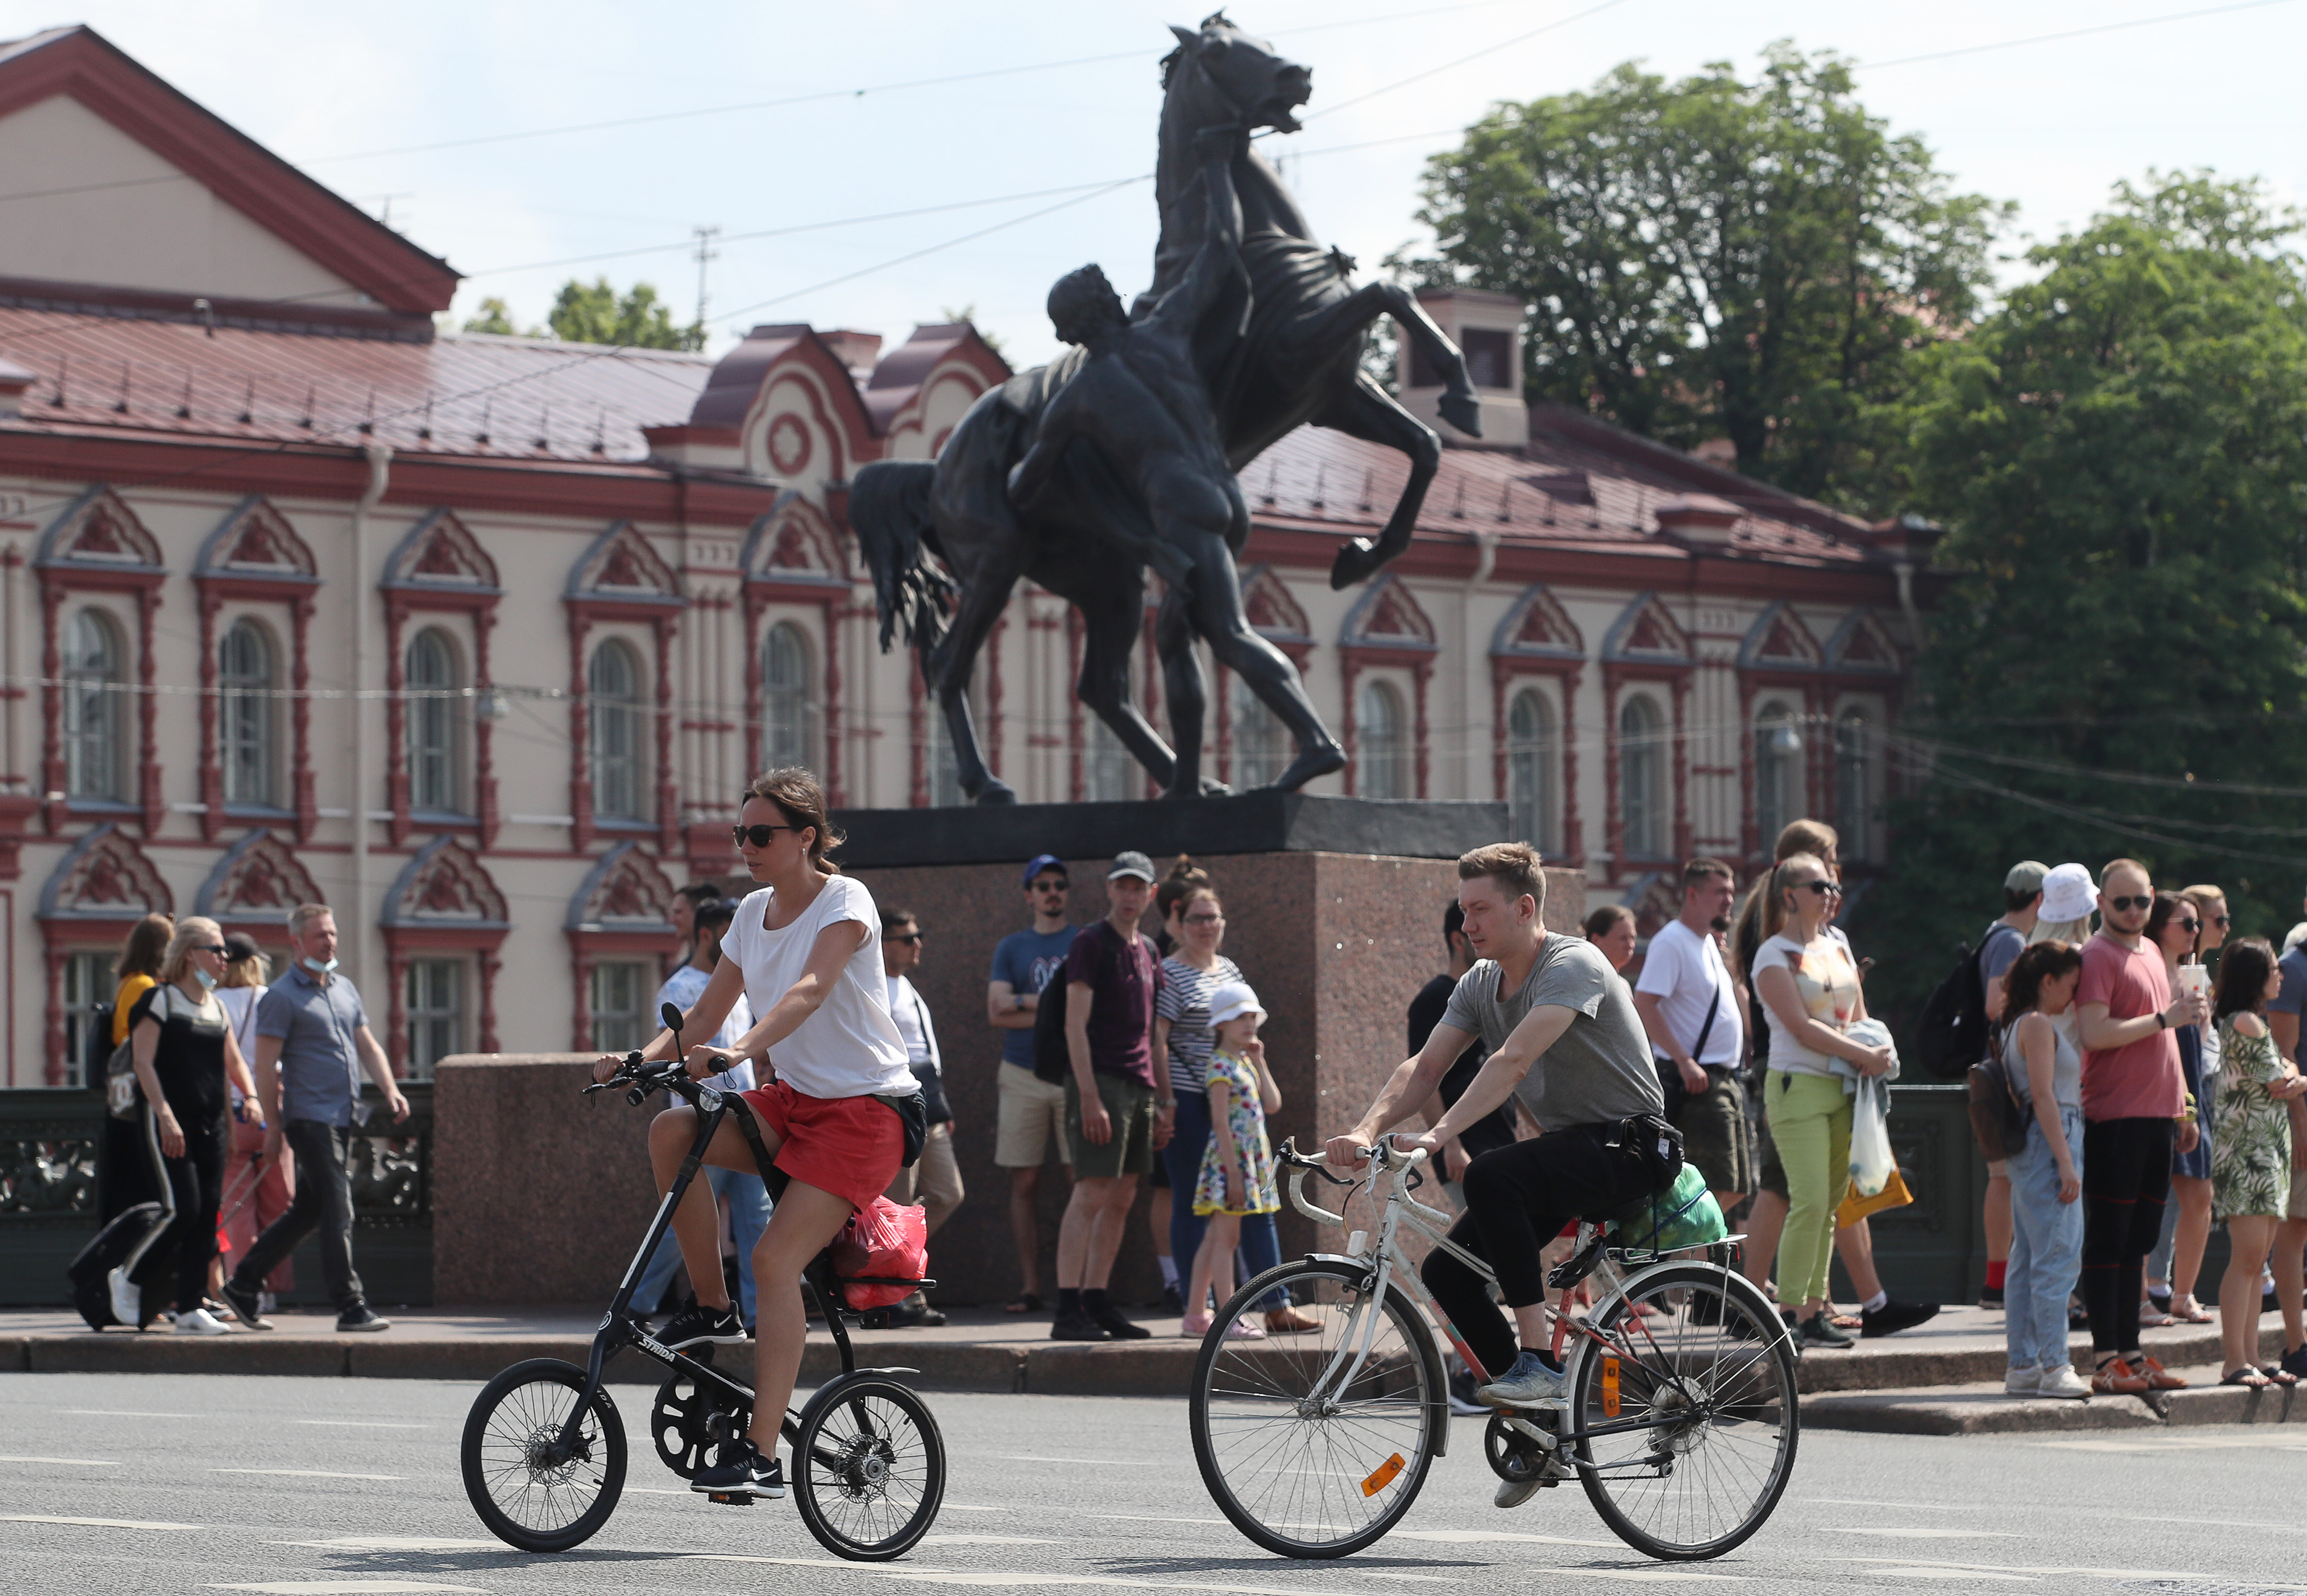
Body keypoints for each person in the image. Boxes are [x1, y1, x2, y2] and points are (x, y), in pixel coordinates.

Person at [592, 766, 921, 1500]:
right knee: (674, 1131)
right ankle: (713, 1306)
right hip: (798, 1102)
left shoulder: (846, 899)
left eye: (761, 833)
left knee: (774, 1260)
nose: (747, 844)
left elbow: (811, 987)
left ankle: (764, 1454)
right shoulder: (750, 913)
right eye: (741, 832)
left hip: (870, 1112)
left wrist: (743, 1051)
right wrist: (635, 1061)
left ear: (807, 837)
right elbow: (703, 1019)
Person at [1325, 842, 1670, 1513]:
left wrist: (1437, 1134)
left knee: (1491, 1175)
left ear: (1525, 907)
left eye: (1481, 909)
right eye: (1462, 912)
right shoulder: (1480, 983)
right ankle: (1540, 1427)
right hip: (1572, 1150)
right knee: (1447, 1274)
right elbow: (1421, 1070)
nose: (1468, 925)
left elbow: (1511, 1062)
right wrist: (1366, 1128)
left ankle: (1538, 1367)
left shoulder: (1574, 964)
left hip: (1632, 1147)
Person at [216, 903, 408, 1334]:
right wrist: (274, 1127)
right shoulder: (282, 997)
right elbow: (265, 1068)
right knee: (339, 1208)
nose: (331, 942)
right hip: (308, 1118)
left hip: (342, 1116)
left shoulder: (344, 989)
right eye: (321, 935)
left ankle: (244, 1284)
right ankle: (350, 1304)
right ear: (298, 943)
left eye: (334, 933)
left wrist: (391, 1088)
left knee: (308, 1210)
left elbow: (368, 1045)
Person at [1155, 866, 1311, 1333]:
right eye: (1198, 917)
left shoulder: (1230, 970)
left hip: (1238, 1101)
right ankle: (1198, 1306)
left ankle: (1275, 1302)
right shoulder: (1168, 972)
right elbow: (1157, 1038)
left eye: (1214, 917)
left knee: (1256, 1207)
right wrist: (1165, 1100)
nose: (1207, 925)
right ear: (1179, 923)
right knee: (1194, 1204)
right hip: (1188, 1095)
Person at [1753, 852, 1896, 1348]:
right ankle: (1789, 1313)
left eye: (1833, 887)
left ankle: (1813, 1311)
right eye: (1820, 887)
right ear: (1790, 895)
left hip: (1843, 1085)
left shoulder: (1838, 943)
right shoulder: (1772, 954)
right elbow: (1800, 1027)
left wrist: (1875, 1049)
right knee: (1809, 1199)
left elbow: (1855, 1009)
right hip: (1797, 1087)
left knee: (1831, 1203)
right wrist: (1862, 1054)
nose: (1830, 896)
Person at [2074, 859, 2205, 1395]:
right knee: (2109, 1238)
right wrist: (2163, 1020)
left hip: (2156, 1115)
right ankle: (2105, 1356)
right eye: (2120, 902)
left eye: (2140, 902)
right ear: (2101, 904)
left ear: (2152, 900)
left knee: (2140, 1241)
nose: (2131, 911)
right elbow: (2093, 1032)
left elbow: (2167, 1041)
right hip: (2114, 1116)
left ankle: (2129, 1352)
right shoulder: (2095, 955)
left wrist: (2182, 1109)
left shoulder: (2150, 950)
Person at [117, 917, 261, 1334]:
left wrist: (250, 1097)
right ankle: (126, 1277)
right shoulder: (160, 1001)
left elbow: (233, 1061)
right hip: (168, 1121)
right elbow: (143, 1062)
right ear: (189, 954)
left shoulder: (215, 1007)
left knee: (206, 1217)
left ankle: (190, 1305)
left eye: (224, 952)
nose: (223, 958)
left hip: (210, 1123)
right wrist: (164, 1114)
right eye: (215, 950)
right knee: (183, 1210)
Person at [628, 897, 766, 1328]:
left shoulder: (740, 987)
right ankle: (635, 1306)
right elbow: (679, 1042)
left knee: (758, 1222)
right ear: (706, 934)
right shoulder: (680, 987)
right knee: (683, 1227)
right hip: (701, 1122)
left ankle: (762, 1315)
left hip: (744, 1117)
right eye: (728, 932)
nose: (735, 943)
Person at [1050, 850, 1169, 1341]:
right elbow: (1073, 1025)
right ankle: (1067, 1306)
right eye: (1122, 886)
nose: (1129, 895)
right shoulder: (1090, 942)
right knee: (1092, 1190)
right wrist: (1090, 1096)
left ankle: (1098, 1300)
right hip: (1101, 1082)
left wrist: (1166, 1100)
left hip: (1141, 1085)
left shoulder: (1149, 950)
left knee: (1122, 1197)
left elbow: (1154, 1033)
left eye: (1138, 887)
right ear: (1108, 889)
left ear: (1151, 894)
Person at [1996, 941, 2092, 1399]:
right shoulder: (2036, 1024)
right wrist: (2067, 1161)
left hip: (2032, 1145)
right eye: (2070, 984)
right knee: (2057, 1255)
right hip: (2052, 1139)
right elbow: (2045, 1094)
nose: (2073, 994)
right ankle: (2055, 1365)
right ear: (2047, 981)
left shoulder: (2014, 1024)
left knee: (2027, 1259)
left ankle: (2024, 1365)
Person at [2209, 936, 2306, 1388]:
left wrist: (2293, 1075)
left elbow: (2286, 1072)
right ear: (2255, 976)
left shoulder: (2255, 1022)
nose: (2280, 975)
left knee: (2257, 1260)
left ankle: (2251, 1356)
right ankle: (2234, 1361)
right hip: (2247, 1153)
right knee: (2247, 1259)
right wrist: (2297, 1076)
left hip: (2266, 1150)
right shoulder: (2246, 1021)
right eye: (2273, 968)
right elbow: (2281, 1079)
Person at [988, 852, 1077, 1314]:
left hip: (1074, 1076)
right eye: (1043, 886)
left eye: (1059, 884)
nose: (1052, 892)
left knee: (1080, 1182)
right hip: (1021, 1074)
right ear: (1029, 895)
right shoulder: (1012, 947)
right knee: (1024, 1183)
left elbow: (1091, 1013)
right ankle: (1030, 1286)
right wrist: (1054, 1007)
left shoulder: (1082, 942)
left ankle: (1077, 1287)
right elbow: (996, 1012)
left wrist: (1026, 1005)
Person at [1633, 859, 1748, 1216]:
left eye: (1731, 892)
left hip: (1722, 1080)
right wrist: (1684, 1061)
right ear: (1693, 894)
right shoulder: (1672, 941)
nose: (1729, 900)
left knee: (1738, 1187)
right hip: (1698, 1084)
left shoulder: (1707, 943)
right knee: (1716, 1187)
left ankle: (1690, 1267)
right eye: (1720, 892)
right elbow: (1645, 1003)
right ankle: (1677, 1269)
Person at [1185, 981, 1282, 1339]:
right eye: (1239, 1017)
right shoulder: (1221, 1065)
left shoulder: (1243, 1061)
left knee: (1215, 1238)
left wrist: (1260, 1061)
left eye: (1252, 1016)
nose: (1248, 1023)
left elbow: (1272, 1104)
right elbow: (1219, 1121)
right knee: (1225, 1239)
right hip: (1232, 1163)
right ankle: (1228, 1319)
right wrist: (1234, 1175)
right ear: (1221, 1024)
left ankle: (1196, 1314)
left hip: (1243, 1162)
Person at [881, 907, 963, 1327]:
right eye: (907, 938)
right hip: (895, 1105)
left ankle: (888, 1266)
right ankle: (900, 1297)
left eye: (919, 936)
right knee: (899, 1205)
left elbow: (926, 1052)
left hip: (928, 1103)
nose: (917, 945)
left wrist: (941, 1104)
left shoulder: (908, 987)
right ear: (883, 943)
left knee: (947, 1194)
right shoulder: (871, 986)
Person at [1410, 900, 1524, 1198]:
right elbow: (1424, 1078)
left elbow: (1510, 1069)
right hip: (1465, 1151)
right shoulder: (1434, 998)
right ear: (1458, 940)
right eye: (1475, 933)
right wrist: (1450, 1145)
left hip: (1500, 1141)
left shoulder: (1489, 994)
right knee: (1482, 1243)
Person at [1976, 862, 2048, 1311]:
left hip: (1992, 1073)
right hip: (2005, 1077)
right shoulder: (2011, 941)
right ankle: (1998, 1283)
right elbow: (1993, 1005)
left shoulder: (1995, 932)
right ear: (2040, 899)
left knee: (2003, 1178)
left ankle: (1998, 1281)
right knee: (2004, 1178)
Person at [2144, 893, 2215, 1326]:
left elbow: (2202, 1044)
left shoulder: (2193, 974)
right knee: (2145, 1199)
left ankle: (2183, 1293)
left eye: (2196, 925)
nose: (2194, 933)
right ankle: (2140, 1295)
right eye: (2185, 924)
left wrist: (2203, 1015)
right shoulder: (2149, 969)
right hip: (2155, 1094)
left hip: (2192, 1092)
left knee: (2200, 1197)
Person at [215, 933, 291, 1316]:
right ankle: (273, 1287)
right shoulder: (271, 999)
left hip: (233, 1109)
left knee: (237, 1204)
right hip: (272, 1107)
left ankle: (245, 1286)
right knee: (278, 1202)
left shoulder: (213, 1002)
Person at [1582, 905, 1637, 973]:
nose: (1631, 946)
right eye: (1623, 938)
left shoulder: (1623, 983)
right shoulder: (1583, 979)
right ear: (1596, 940)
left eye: (1633, 938)